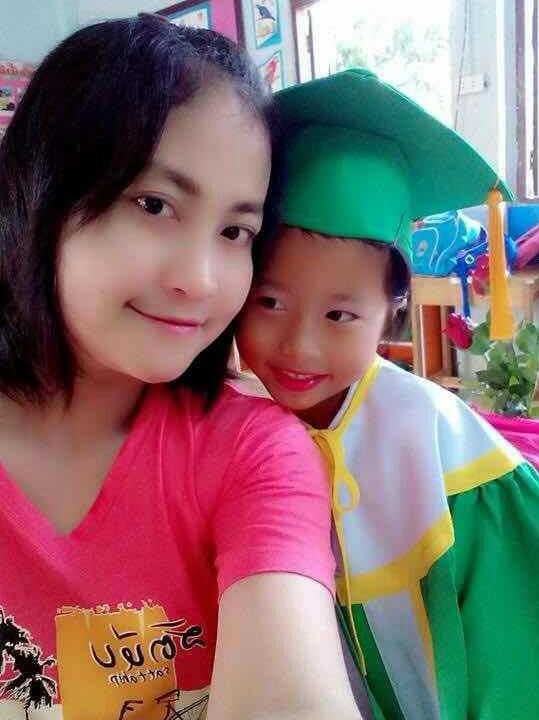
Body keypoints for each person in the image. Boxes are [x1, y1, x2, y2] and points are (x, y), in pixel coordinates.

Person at [0, 16, 363, 720]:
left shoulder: (253, 452)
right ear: (38, 190)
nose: (200, 281)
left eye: (235, 231)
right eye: (154, 204)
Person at [237, 68, 539, 720]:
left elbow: (515, 654)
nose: (300, 346)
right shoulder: (222, 426)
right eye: (269, 301)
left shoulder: (446, 450)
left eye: (340, 315)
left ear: (391, 317)